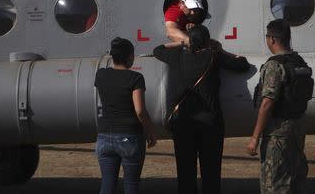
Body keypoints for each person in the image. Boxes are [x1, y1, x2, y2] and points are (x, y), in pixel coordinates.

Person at [153, 25, 250, 194]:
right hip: (210, 125)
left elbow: (157, 50)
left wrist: (182, 42)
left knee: (185, 175)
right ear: (207, 41)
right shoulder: (214, 56)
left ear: (190, 41)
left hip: (183, 123)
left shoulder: (176, 56)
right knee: (211, 175)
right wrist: (219, 49)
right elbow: (243, 65)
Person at [247, 19, 313, 194]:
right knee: (295, 179)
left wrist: (255, 137)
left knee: (274, 184)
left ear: (272, 39)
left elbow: (267, 103)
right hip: (297, 129)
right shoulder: (299, 62)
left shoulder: (274, 65)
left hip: (277, 135)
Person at [94, 37, 157, 194]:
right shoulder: (135, 78)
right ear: (130, 56)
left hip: (104, 136)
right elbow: (140, 110)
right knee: (131, 185)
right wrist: (149, 131)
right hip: (129, 137)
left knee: (107, 185)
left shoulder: (100, 75)